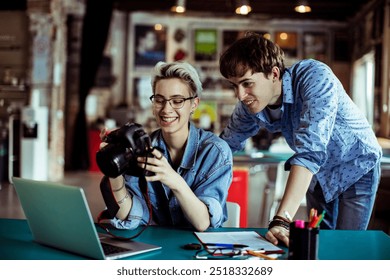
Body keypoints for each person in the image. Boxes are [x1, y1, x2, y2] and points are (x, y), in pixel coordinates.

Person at [218, 32, 382, 246]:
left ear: (274, 74)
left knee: (344, 246)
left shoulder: (315, 77)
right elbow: (224, 146)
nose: (240, 95)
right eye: (234, 85)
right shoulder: (248, 105)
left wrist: (281, 219)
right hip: (318, 175)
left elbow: (310, 151)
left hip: (356, 165)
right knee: (318, 244)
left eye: (247, 83)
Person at [100, 61, 233, 232]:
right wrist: (115, 167)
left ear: (194, 104)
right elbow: (131, 214)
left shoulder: (215, 152)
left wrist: (173, 179)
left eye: (177, 101)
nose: (166, 109)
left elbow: (202, 222)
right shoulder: (142, 148)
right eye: (159, 100)